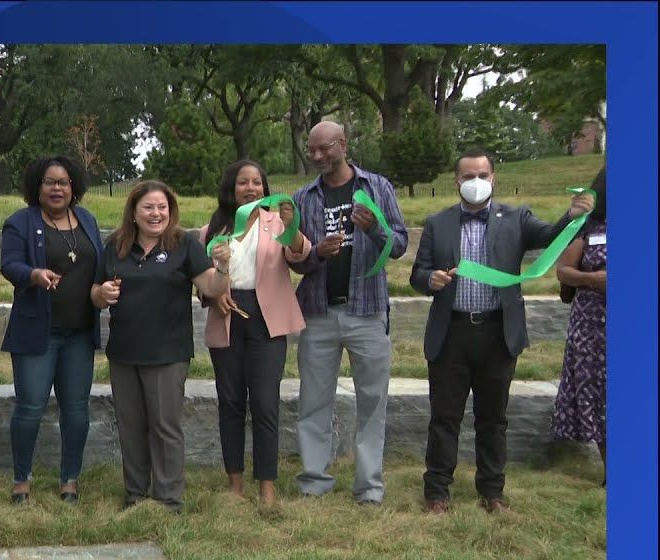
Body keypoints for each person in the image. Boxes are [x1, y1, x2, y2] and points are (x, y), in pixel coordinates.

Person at [411, 149, 595, 514]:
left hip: (498, 334)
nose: (475, 182)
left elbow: (550, 236)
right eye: (467, 176)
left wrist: (571, 216)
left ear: (493, 178)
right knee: (444, 417)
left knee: (493, 418)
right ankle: (437, 493)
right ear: (456, 181)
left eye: (482, 174)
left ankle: (492, 493)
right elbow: (418, 273)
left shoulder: (516, 217)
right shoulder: (438, 222)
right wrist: (428, 279)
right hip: (451, 334)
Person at [91, 180, 231, 513]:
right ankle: (135, 495)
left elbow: (211, 286)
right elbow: (95, 293)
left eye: (162, 207)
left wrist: (224, 266)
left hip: (167, 353)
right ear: (134, 213)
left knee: (164, 426)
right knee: (130, 426)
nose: (157, 213)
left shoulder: (184, 246)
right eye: (149, 207)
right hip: (125, 352)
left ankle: (168, 498)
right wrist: (101, 294)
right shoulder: (115, 246)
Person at [288, 121, 409, 506]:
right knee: (313, 400)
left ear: (343, 144)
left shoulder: (377, 188)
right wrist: (315, 254)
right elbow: (296, 260)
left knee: (372, 401)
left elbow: (399, 244)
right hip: (318, 312)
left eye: (324, 148)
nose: (317, 156)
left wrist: (375, 228)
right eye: (312, 150)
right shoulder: (303, 197)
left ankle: (369, 487)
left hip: (367, 311)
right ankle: (313, 480)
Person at [200, 161, 311, 507]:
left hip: (267, 319)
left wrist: (293, 229)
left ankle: (267, 485)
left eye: (257, 183)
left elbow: (301, 257)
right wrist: (215, 294)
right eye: (243, 183)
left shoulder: (278, 223)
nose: (251, 189)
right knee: (230, 402)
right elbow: (201, 279)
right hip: (228, 316)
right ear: (231, 188)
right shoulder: (212, 229)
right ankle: (235, 483)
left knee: (265, 403)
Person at [0, 156, 104, 505]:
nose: (57, 188)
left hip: (79, 333)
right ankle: (21, 479)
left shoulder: (87, 220)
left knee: (76, 408)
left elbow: (99, 265)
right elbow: (9, 264)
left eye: (63, 182)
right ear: (36, 186)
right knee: (30, 407)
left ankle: (70, 480)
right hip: (37, 334)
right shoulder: (20, 222)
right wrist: (34, 274)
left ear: (74, 186)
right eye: (49, 182)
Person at [550, 166, 607, 486]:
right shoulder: (588, 228)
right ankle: (612, 470)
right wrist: (593, 279)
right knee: (600, 395)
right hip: (593, 328)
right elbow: (564, 271)